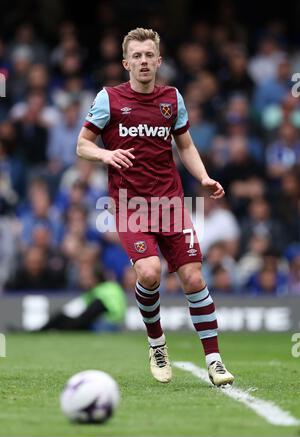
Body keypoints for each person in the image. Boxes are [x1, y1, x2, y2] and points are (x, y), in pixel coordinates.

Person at [77, 28, 234, 386]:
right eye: (137, 56)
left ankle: (214, 360)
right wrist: (106, 153)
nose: (144, 61)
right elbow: (82, 145)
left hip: (171, 202)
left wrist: (204, 178)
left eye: (150, 55)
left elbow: (187, 146)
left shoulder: (172, 99)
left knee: (193, 278)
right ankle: (157, 344)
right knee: (149, 273)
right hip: (130, 205)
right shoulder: (109, 99)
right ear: (126, 62)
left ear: (159, 61)